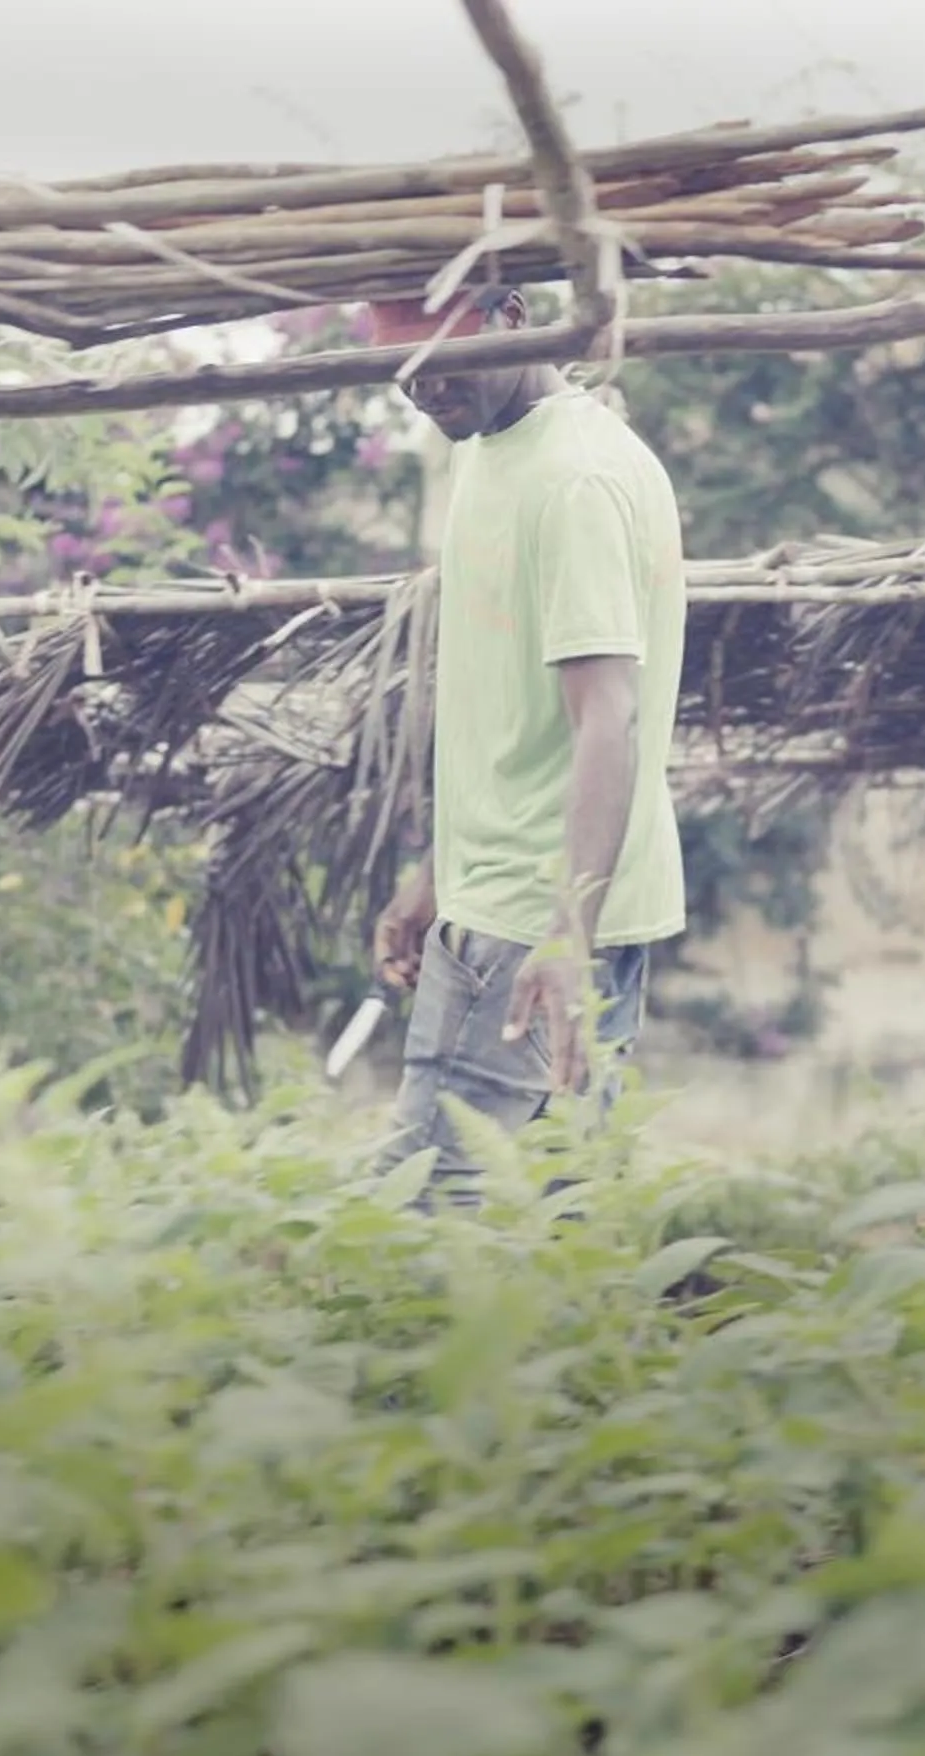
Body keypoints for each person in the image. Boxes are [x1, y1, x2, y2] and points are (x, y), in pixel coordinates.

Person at [357, 285, 690, 1203]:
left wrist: (566, 939)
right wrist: (439, 873)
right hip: (515, 900)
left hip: (534, 921)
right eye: (405, 372)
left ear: (514, 314)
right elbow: (514, 716)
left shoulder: (575, 479)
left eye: (446, 361)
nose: (427, 390)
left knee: (426, 1209)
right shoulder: (490, 449)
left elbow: (607, 717)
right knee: (564, 1216)